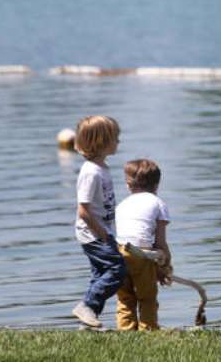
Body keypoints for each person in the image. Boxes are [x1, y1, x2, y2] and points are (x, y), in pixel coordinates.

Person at [71, 115, 126, 328]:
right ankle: (87, 305)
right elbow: (83, 210)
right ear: (101, 142)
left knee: (100, 275)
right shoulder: (90, 173)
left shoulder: (101, 168)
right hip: (92, 234)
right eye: (115, 138)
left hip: (102, 232)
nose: (119, 142)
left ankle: (88, 321)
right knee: (117, 269)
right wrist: (103, 235)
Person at [115, 159, 171, 331]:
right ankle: (148, 330)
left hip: (118, 252)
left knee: (125, 297)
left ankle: (126, 331)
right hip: (142, 253)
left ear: (128, 185)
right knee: (147, 297)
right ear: (157, 185)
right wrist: (165, 266)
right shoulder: (158, 203)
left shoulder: (121, 205)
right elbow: (160, 242)